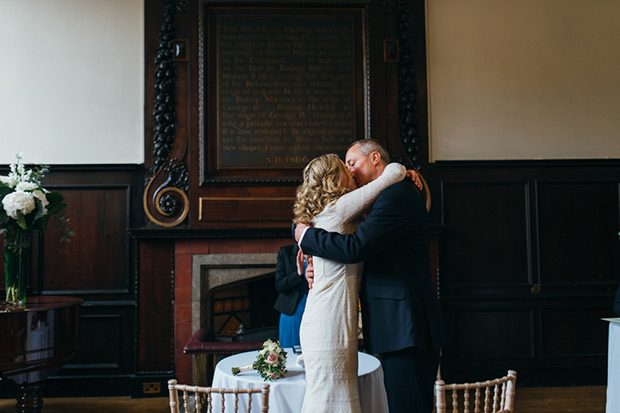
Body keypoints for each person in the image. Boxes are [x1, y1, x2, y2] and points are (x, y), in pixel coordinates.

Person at [296, 139, 447, 413]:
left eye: (352, 163)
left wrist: (304, 235)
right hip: (399, 326)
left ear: (375, 158)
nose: (350, 171)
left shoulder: (396, 196)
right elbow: (330, 216)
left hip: (407, 326)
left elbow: (356, 247)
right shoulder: (383, 197)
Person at [294, 153, 407, 413]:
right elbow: (394, 173)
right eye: (346, 169)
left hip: (328, 317)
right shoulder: (340, 208)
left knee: (329, 400)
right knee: (332, 401)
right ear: (335, 179)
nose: (351, 171)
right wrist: (408, 173)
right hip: (329, 322)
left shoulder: (332, 211)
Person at [273, 243, 308, 348]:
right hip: (293, 309)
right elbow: (280, 286)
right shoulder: (286, 252)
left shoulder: (321, 251)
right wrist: (298, 274)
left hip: (317, 307)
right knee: (291, 352)